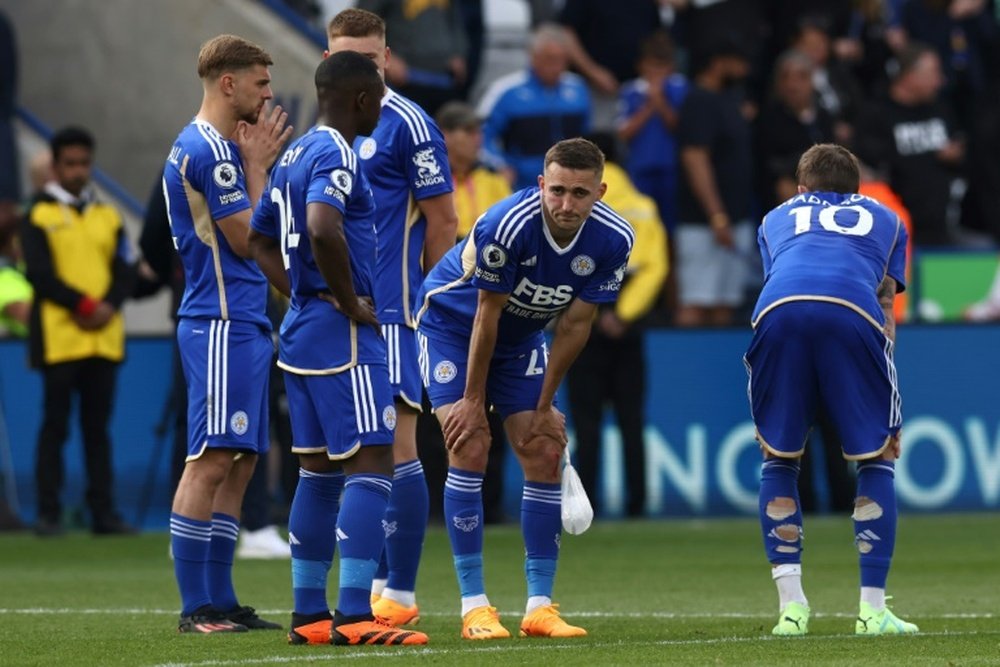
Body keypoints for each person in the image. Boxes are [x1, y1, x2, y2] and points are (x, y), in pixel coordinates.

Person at [416, 137, 633, 640]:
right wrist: (472, 401)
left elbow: (576, 325)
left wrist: (543, 405)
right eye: (556, 191)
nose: (565, 205)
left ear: (600, 191)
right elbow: (484, 315)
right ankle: (475, 607)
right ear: (540, 184)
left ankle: (540, 607)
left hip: (521, 338)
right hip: (451, 327)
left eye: (580, 194)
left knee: (542, 448)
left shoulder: (614, 238)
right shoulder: (506, 224)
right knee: (469, 444)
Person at [248, 50, 428, 647]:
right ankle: (354, 616)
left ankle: (309, 616)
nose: (382, 107)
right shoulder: (336, 152)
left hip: (302, 331)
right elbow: (324, 226)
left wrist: (302, 292)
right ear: (359, 99)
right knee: (373, 461)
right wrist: (346, 300)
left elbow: (258, 238)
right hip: (344, 335)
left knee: (318, 474)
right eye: (378, 97)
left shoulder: (294, 154)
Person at [745, 143, 917, 637]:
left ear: (802, 190)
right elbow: (884, 303)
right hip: (853, 312)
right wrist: (884, 403)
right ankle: (872, 610)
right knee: (877, 457)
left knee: (778, 458)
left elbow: (782, 276)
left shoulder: (774, 217)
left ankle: (792, 610)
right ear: (856, 191)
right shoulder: (887, 219)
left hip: (779, 312)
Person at [326, 7, 459, 629]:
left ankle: (397, 592)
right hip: (336, 314)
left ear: (386, 59)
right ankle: (372, 581)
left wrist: (434, 304)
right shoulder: (327, 127)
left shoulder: (408, 123)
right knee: (352, 454)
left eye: (370, 59)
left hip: (396, 315)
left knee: (397, 445)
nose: (359, 69)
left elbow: (443, 220)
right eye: (346, 57)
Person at [163, 34, 291, 634]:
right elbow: (247, 238)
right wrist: (258, 169)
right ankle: (196, 607)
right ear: (229, 83)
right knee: (210, 459)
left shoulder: (216, 149)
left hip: (241, 319)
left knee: (238, 460)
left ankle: (220, 597)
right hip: (217, 321)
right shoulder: (211, 150)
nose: (269, 95)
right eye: (262, 83)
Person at [21, 127, 136, 537]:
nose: (77, 171)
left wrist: (108, 305)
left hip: (103, 338)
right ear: (55, 166)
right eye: (69, 164)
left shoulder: (108, 215)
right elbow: (38, 274)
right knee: (55, 427)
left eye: (83, 163)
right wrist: (86, 305)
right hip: (59, 338)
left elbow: (124, 271)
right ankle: (48, 514)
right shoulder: (37, 213)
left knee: (97, 430)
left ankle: (103, 513)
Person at [565, 132, 667, 518]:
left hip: (582, 321)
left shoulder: (573, 203)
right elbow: (655, 267)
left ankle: (585, 507)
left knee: (586, 424)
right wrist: (624, 314)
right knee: (631, 421)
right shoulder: (642, 206)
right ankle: (637, 505)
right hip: (628, 327)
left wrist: (590, 310)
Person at [437, 100, 512, 524]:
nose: (477, 140)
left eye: (479, 132)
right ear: (447, 137)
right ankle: (435, 505)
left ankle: (492, 505)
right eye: (468, 132)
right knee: (442, 408)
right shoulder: (430, 182)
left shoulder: (493, 181)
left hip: (492, 302)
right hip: (447, 306)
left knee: (491, 403)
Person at [675, 38, 756, 327]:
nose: (744, 70)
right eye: (739, 62)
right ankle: (685, 370)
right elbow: (695, 159)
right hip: (703, 223)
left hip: (734, 219)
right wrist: (716, 215)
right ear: (719, 61)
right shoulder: (699, 101)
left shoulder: (728, 99)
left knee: (725, 302)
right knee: (697, 301)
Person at [477, 23, 591, 190]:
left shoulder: (578, 89)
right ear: (534, 57)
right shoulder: (506, 92)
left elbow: (586, 137)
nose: (557, 67)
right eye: (551, 59)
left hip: (568, 186)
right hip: (521, 186)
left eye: (562, 60)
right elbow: (480, 136)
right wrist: (499, 166)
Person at [617, 29, 689, 232]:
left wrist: (661, 102)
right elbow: (623, 132)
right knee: (642, 221)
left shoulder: (680, 88)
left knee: (671, 225)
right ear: (641, 66)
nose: (657, 74)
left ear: (671, 68)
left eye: (662, 68)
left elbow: (681, 128)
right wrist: (649, 106)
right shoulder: (631, 91)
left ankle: (671, 263)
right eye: (652, 67)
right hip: (640, 168)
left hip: (672, 168)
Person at [355, 0, 468, 116]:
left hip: (444, 78)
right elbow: (361, 22)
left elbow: (455, 20)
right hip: (403, 79)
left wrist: (458, 52)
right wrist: (384, 55)